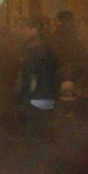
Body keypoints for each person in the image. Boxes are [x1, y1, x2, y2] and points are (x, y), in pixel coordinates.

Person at [14, 17, 58, 151]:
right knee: (44, 135)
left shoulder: (33, 49)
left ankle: (33, 167)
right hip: (49, 97)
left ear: (33, 30)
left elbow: (30, 76)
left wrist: (24, 98)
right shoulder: (49, 46)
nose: (23, 32)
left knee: (33, 138)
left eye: (25, 29)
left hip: (35, 98)